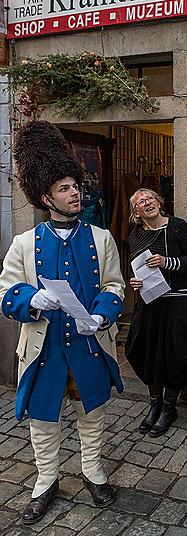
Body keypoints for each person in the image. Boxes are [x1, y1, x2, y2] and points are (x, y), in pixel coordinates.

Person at [0, 121, 125, 524]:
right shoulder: (23, 243)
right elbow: (5, 293)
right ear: (45, 197)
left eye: (75, 187)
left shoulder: (102, 238)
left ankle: (93, 472)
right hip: (44, 350)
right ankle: (46, 481)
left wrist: (104, 313)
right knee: (43, 420)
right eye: (65, 189)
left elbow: (114, 285)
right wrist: (31, 298)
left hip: (89, 344)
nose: (75, 194)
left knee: (92, 416)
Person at [125, 188, 187, 437]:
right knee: (145, 350)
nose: (147, 202)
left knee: (175, 354)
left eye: (150, 198)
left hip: (178, 302)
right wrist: (134, 282)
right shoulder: (135, 235)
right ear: (136, 213)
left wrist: (167, 262)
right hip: (150, 303)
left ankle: (169, 408)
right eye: (140, 201)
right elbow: (137, 269)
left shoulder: (177, 227)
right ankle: (154, 404)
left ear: (159, 202)